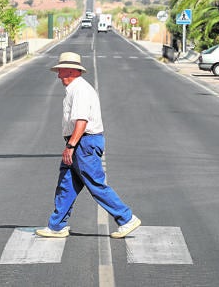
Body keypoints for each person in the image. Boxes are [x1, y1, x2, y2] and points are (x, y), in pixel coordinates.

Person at [36, 52, 141, 239]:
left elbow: (81, 121)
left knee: (95, 183)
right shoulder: (75, 90)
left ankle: (127, 218)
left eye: (61, 71)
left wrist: (70, 146)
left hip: (83, 142)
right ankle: (57, 226)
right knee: (66, 185)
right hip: (79, 142)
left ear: (71, 70)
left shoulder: (80, 90)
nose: (58, 75)